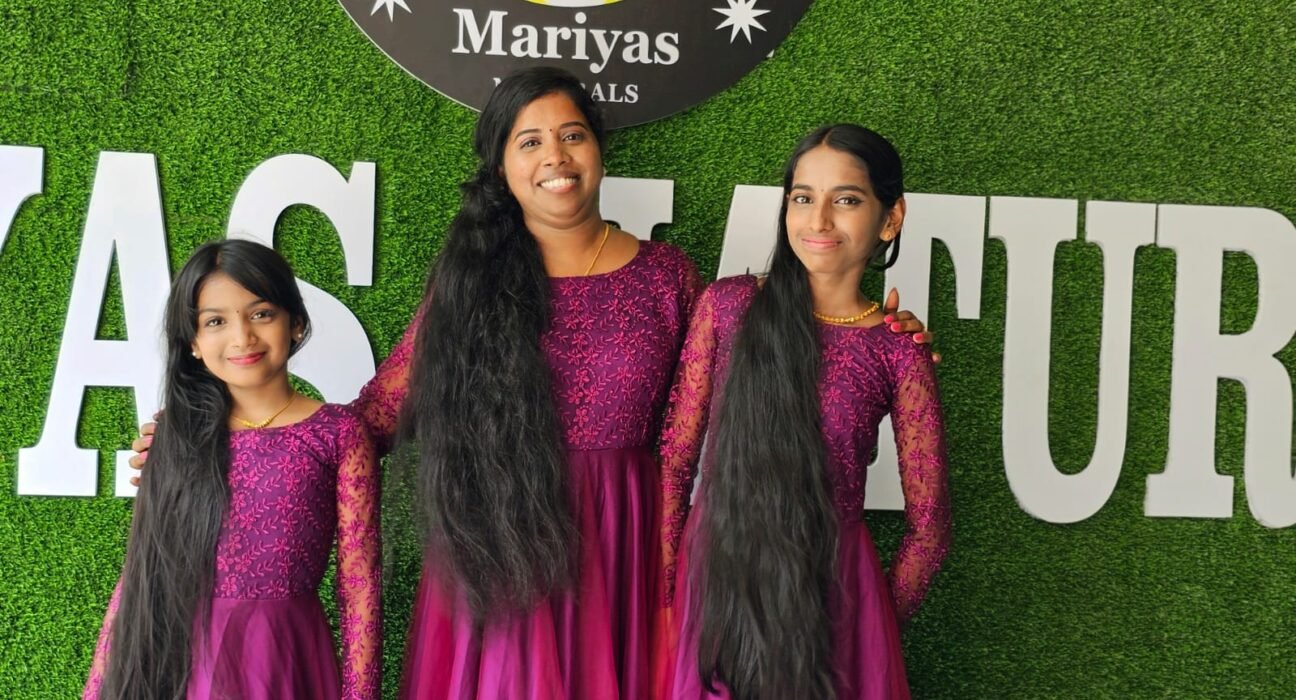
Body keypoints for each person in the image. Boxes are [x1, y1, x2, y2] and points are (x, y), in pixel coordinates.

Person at [128, 69, 936, 699]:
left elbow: (741, 394)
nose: (555, 157)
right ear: (502, 167)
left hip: (626, 556)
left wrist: (878, 337)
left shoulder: (668, 277)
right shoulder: (470, 280)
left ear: (600, 151)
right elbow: (379, 413)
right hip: (501, 548)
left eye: (572, 135)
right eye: (530, 141)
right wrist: (229, 434)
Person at [658, 124, 951, 699]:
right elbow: (674, 462)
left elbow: (931, 526)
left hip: (831, 604)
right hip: (718, 590)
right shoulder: (728, 306)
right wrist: (673, 598)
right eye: (802, 197)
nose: (818, 220)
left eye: (847, 200)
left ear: (890, 218)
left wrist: (869, 624)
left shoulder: (896, 350)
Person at [85, 239, 381, 699]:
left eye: (261, 314)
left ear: (295, 323)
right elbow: (141, 572)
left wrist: (360, 695)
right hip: (186, 664)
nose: (242, 337)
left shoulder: (337, 433)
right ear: (193, 342)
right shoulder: (175, 435)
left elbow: (359, 585)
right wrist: (97, 688)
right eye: (215, 321)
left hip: (289, 656)